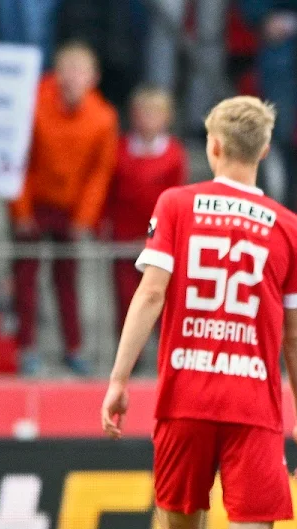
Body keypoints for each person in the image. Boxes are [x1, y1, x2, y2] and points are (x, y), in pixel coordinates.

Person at [101, 97, 297, 529]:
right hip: (253, 401)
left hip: (184, 396)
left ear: (214, 147)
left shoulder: (177, 205)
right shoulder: (290, 228)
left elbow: (150, 293)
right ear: (265, 150)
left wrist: (119, 380)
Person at [11, 41, 119, 376]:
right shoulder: (33, 105)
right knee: (25, 278)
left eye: (80, 71)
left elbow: (100, 173)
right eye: (66, 70)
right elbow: (19, 160)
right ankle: (25, 347)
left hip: (70, 209)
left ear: (94, 78)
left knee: (67, 280)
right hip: (35, 201)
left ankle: (73, 347)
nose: (72, 78)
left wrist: (84, 217)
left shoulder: (103, 118)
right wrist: (21, 210)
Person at [105, 86, 188, 343]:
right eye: (144, 113)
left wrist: (154, 235)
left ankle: (166, 351)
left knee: (162, 299)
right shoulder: (119, 150)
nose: (148, 119)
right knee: (126, 299)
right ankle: (131, 354)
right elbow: (109, 192)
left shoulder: (173, 154)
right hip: (123, 237)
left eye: (155, 113)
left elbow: (175, 200)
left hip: (159, 240)